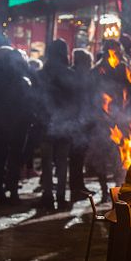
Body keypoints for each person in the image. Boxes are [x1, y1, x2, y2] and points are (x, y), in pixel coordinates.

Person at [37, 39, 79, 210]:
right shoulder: (70, 74)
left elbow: (37, 99)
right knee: (62, 161)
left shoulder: (43, 74)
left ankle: (48, 194)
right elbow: (76, 101)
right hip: (65, 123)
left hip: (47, 122)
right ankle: (61, 195)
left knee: (47, 162)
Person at [0, 47, 33, 204]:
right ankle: (12, 190)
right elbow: (28, 105)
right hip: (18, 125)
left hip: (1, 122)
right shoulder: (24, 81)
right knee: (14, 157)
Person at [68, 48, 96, 202]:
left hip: (82, 120)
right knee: (76, 157)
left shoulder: (76, 75)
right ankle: (76, 187)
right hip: (79, 122)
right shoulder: (78, 77)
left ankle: (79, 185)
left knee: (78, 157)